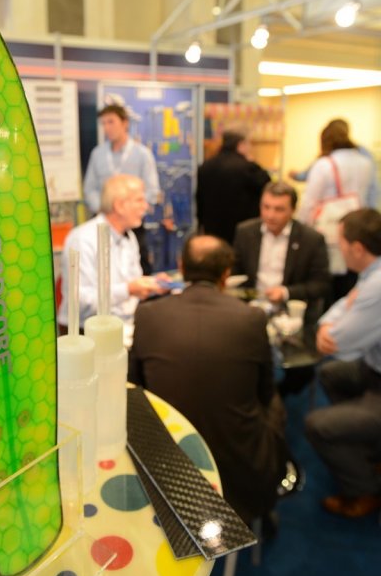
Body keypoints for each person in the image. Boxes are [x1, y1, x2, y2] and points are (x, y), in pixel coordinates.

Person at [128, 233, 290, 525]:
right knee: (276, 404)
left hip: (166, 452)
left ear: (181, 266)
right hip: (239, 459)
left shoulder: (148, 314)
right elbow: (265, 392)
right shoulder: (251, 318)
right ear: (226, 274)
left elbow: (136, 386)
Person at [305, 208, 381, 518]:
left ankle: (365, 490)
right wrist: (329, 324)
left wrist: (328, 328)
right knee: (332, 374)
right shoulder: (372, 272)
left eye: (341, 243)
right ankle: (370, 447)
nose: (338, 249)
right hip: (372, 369)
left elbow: (340, 343)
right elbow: (342, 306)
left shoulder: (377, 285)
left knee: (317, 425)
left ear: (358, 248)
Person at [58, 174, 166, 331]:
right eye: (139, 200)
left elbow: (132, 282)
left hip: (125, 324)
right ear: (119, 206)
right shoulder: (83, 239)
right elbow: (80, 302)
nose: (146, 207)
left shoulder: (129, 237)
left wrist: (151, 284)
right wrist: (129, 289)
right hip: (87, 331)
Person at [297, 119, 377, 303]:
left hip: (331, 233)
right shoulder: (366, 162)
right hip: (359, 232)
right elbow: (373, 195)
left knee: (328, 286)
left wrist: (300, 232)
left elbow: (309, 203)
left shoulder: (324, 165)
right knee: (353, 285)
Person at [233, 181, 330, 325]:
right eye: (266, 207)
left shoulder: (311, 239)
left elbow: (321, 284)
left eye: (279, 209)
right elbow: (235, 270)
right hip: (250, 307)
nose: (270, 215)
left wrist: (286, 292)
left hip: (290, 313)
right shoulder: (245, 231)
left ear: (293, 210)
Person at [83, 103, 160, 274]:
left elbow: (152, 191)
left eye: (111, 122)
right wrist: (105, 210)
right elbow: (90, 189)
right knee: (102, 267)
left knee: (139, 267)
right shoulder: (98, 154)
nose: (107, 128)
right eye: (103, 123)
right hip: (103, 223)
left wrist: (132, 210)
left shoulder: (142, 154)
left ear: (125, 123)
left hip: (132, 224)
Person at [196, 126, 270, 244]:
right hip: (241, 231)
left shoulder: (205, 166)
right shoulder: (247, 167)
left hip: (213, 230)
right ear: (240, 145)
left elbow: (199, 199)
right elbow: (267, 185)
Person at [288, 118, 375, 184]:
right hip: (358, 200)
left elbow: (310, 174)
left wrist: (296, 175)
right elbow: (373, 184)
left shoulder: (328, 156)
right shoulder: (362, 153)